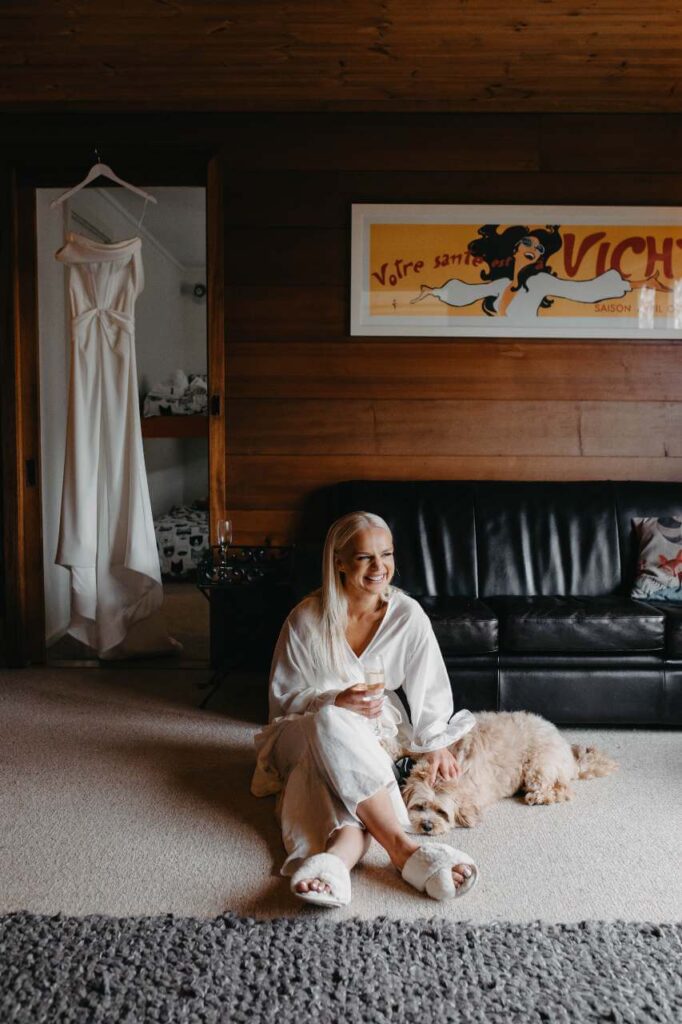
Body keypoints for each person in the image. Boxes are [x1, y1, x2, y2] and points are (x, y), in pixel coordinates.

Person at [251, 511, 479, 907]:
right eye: (364, 558)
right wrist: (332, 701)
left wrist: (435, 741)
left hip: (369, 729)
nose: (380, 568)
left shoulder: (407, 617)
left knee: (330, 778)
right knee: (326, 721)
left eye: (386, 554)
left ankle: (334, 862)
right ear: (338, 561)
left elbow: (431, 687)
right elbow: (282, 702)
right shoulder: (306, 619)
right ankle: (402, 848)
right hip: (300, 728)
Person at [411, 224, 632, 321]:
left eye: (539, 249)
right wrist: (432, 292)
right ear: (515, 248)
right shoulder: (501, 284)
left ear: (539, 257)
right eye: (527, 243)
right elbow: (466, 293)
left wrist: (633, 285)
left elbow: (583, 291)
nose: (533, 249)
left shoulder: (540, 282)